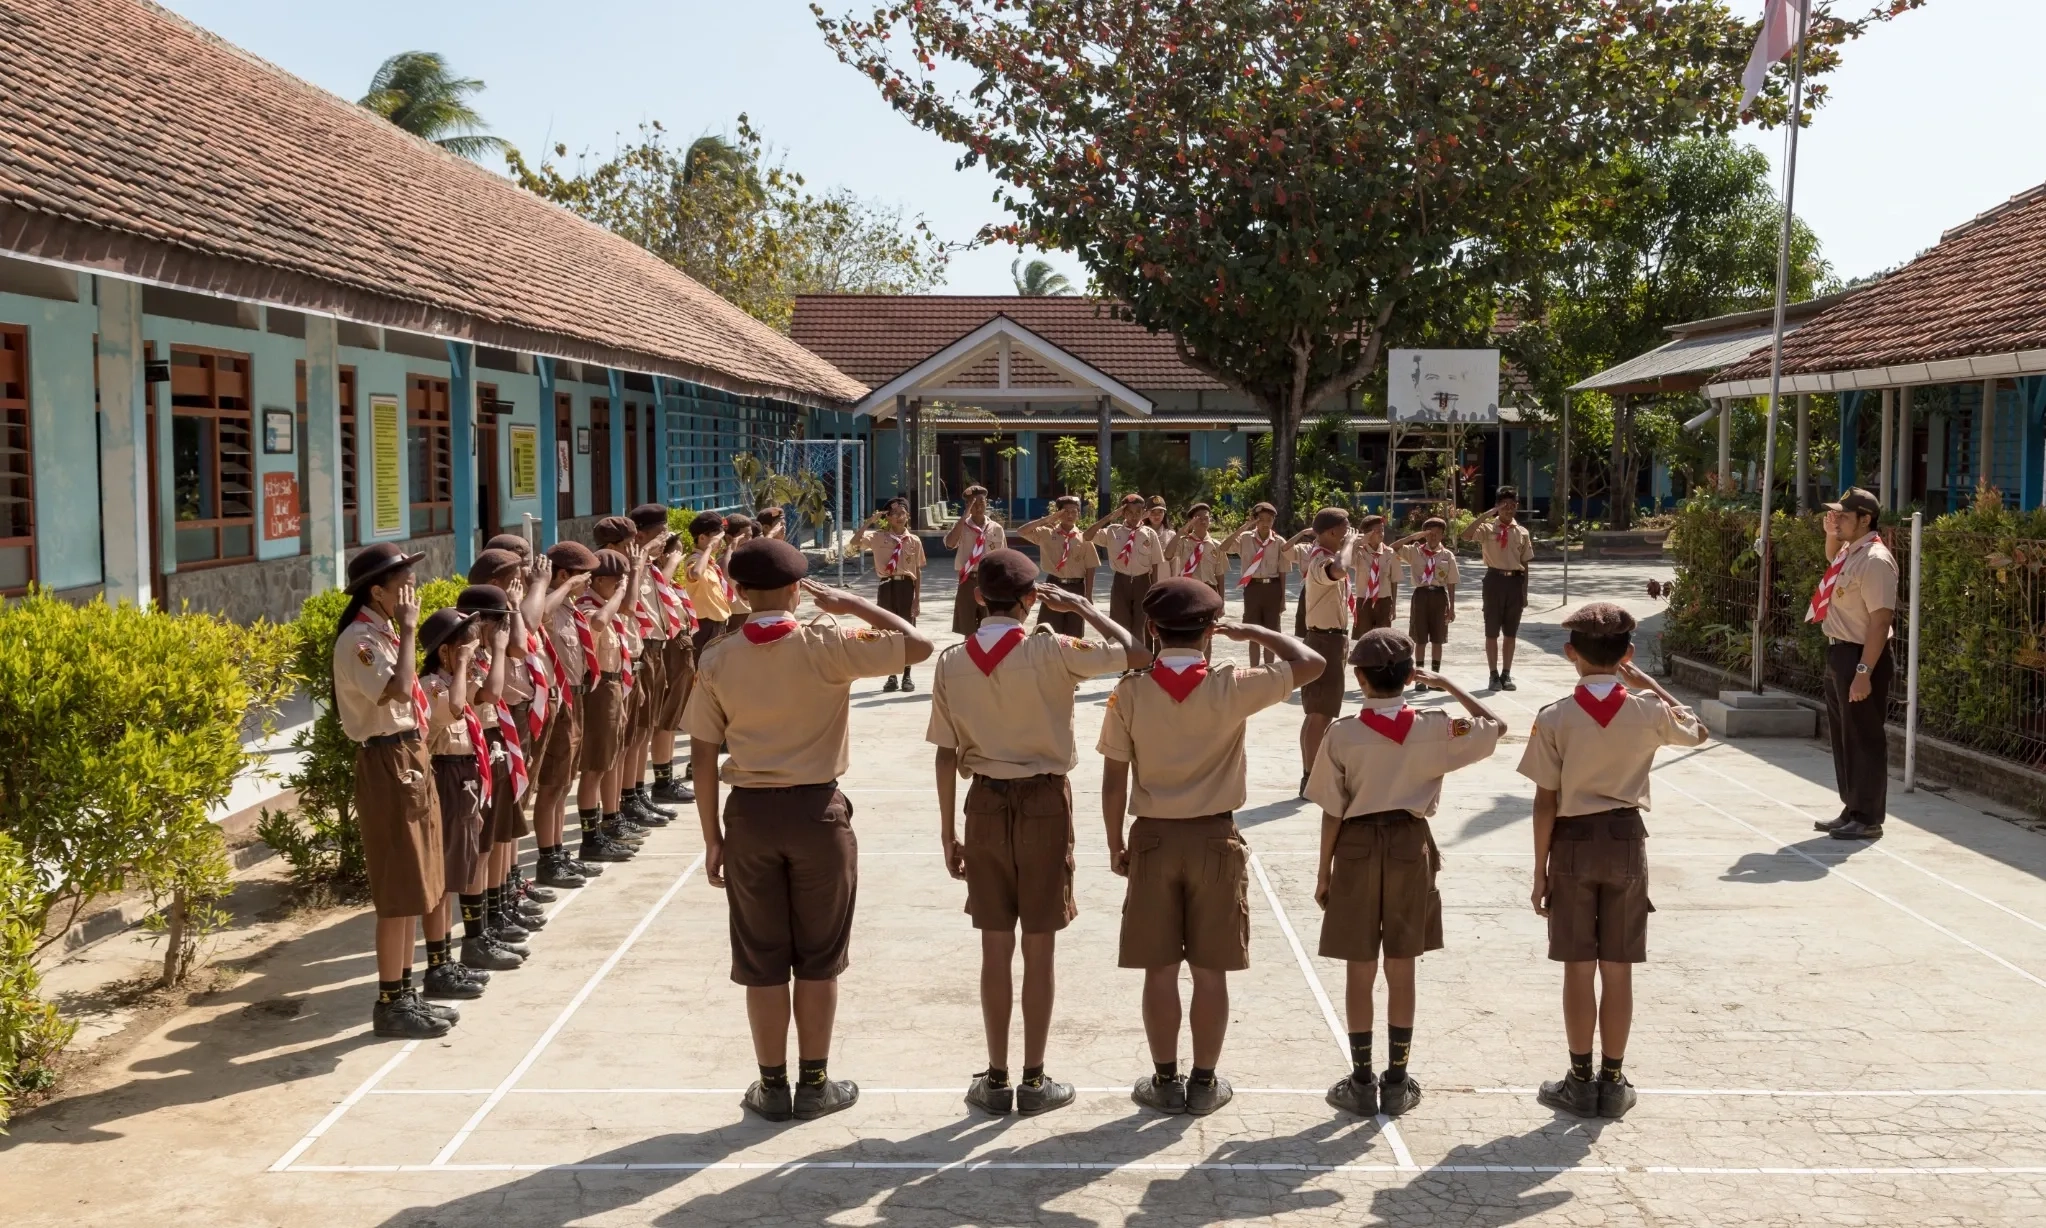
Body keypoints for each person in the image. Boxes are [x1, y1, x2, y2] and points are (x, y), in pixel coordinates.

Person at [684, 538, 935, 1122]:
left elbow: (701, 756)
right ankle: (815, 1084)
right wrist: (855, 604)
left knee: (762, 957)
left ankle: (772, 1087)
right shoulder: (828, 642)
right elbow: (919, 646)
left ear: (738, 592)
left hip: (749, 817)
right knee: (820, 956)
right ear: (798, 590)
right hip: (818, 814)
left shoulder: (718, 658)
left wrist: (712, 838)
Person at [926, 549, 1149, 1116]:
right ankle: (1034, 1076)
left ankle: (996, 1076)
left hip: (984, 804)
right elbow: (1139, 653)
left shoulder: (952, 662)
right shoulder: (1053, 649)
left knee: (994, 946)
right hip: (1045, 801)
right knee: (1040, 946)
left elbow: (945, 754)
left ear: (979, 596)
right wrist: (1082, 607)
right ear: (1032, 599)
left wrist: (948, 832)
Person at [1098, 579, 1324, 1115]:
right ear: (1210, 632)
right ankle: (1203, 1082)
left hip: (1153, 836)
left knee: (1159, 969)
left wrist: (1114, 843)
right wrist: (1255, 631)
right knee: (1209, 969)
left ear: (1151, 629)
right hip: (1215, 837)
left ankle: (1164, 1080)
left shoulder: (1131, 691)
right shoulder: (1231, 685)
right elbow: (1311, 663)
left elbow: (1113, 780)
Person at [1518, 602, 1708, 1120]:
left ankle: (1580, 1083)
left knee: (1578, 968)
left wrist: (1539, 872)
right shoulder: (1648, 711)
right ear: (1628, 654)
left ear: (1570, 653)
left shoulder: (1555, 716)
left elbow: (1544, 801)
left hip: (1572, 842)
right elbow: (1697, 731)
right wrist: (1651, 685)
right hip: (1625, 839)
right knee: (1618, 968)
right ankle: (1614, 1079)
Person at [1308, 630, 1504, 1118]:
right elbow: (1495, 726)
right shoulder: (1436, 727)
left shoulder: (1342, 733)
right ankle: (1396, 1081)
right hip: (1409, 845)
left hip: (1355, 845)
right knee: (1401, 966)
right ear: (1410, 675)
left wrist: (1324, 871)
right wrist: (1448, 685)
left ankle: (1361, 1080)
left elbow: (1332, 810)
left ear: (1359, 677)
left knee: (1359, 967)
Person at [330, 543, 452, 1038]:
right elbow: (400, 689)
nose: (411, 588)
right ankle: (390, 1002)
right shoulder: (360, 640)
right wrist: (409, 630)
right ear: (377, 592)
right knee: (398, 887)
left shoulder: (381, 632)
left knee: (416, 880)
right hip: (387, 759)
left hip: (408, 752)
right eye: (402, 582)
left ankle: (406, 993)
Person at [419, 605, 519, 992]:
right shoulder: (432, 685)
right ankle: (438, 966)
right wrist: (461, 665)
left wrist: (484, 656)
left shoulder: (457, 678)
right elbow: (457, 706)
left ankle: (460, 952)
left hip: (467, 773)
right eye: (466, 646)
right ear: (445, 651)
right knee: (444, 877)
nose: (472, 653)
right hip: (445, 775)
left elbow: (490, 694)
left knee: (464, 864)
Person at [455, 577, 551, 956]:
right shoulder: (466, 658)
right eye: (500, 622)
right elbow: (493, 693)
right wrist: (496, 648)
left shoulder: (484, 654)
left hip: (496, 746)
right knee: (482, 845)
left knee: (498, 837)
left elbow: (520, 648)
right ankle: (477, 933)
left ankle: (497, 913)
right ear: (481, 622)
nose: (504, 630)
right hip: (476, 751)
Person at [1808, 488, 1898, 841]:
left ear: (1865, 519)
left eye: (1844, 516)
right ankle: (1853, 807)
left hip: (1862, 656)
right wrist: (1832, 532)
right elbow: (1832, 557)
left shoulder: (1875, 560)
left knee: (1864, 738)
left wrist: (1864, 672)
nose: (1837, 519)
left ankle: (1868, 817)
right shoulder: (1852, 551)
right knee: (1845, 738)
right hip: (1840, 653)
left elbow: (1881, 621)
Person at [596, 516, 674, 835]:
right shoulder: (610, 576)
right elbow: (629, 608)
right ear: (612, 546)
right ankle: (621, 804)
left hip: (642, 653)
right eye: (630, 543)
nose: (635, 548)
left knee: (643, 730)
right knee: (624, 741)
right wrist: (636, 566)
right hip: (620, 663)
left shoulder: (637, 568)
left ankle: (635, 793)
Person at [574, 544, 648, 864]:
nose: (620, 586)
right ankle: (590, 838)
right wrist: (619, 593)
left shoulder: (608, 604)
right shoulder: (587, 606)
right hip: (599, 689)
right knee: (595, 766)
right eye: (615, 581)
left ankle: (611, 819)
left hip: (616, 685)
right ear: (597, 580)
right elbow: (599, 623)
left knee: (611, 758)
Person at [535, 541, 600, 888]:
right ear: (564, 575)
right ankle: (547, 859)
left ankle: (559, 852)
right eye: (582, 577)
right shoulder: (549, 603)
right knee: (551, 785)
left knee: (564, 784)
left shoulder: (570, 608)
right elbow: (537, 617)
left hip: (575, 699)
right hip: (557, 701)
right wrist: (562, 587)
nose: (587, 582)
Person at [634, 505, 701, 809]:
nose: (665, 546)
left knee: (670, 717)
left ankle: (662, 780)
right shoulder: (643, 571)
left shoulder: (659, 577)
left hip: (673, 648)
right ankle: (658, 782)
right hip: (660, 648)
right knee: (658, 720)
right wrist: (670, 562)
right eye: (660, 539)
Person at [1293, 508, 1354, 796]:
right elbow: (1339, 571)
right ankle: (1311, 778)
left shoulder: (1325, 555)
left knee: (1319, 712)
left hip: (1330, 640)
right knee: (1320, 713)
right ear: (1331, 532)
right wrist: (1350, 544)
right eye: (1345, 528)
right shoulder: (1321, 560)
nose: (1348, 533)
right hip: (1324, 641)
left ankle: (1311, 775)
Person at [850, 497, 926, 692]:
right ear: (888, 518)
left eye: (903, 513)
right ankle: (892, 676)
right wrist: (869, 522)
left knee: (908, 631)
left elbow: (917, 571)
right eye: (894, 514)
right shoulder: (878, 537)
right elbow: (854, 542)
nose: (899, 517)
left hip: (906, 587)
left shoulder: (914, 541)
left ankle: (907, 675)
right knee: (887, 632)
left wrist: (917, 599)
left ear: (908, 516)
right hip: (886, 586)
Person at [1463, 487, 1535, 690]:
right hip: (1494, 580)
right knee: (1492, 631)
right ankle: (1493, 674)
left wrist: (1524, 592)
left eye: (1512, 505)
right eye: (1504, 505)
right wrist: (1486, 515)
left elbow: (1525, 563)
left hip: (1515, 582)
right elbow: (1466, 535)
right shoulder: (1487, 528)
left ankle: (1506, 674)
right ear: (1497, 506)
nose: (1509, 509)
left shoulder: (1522, 532)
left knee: (1511, 632)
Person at [1013, 496, 1098, 638]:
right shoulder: (1047, 533)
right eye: (1065, 511)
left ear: (1078, 514)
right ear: (1058, 513)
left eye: (1074, 511)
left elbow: (1090, 567)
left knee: (1074, 631)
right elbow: (1021, 531)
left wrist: (1088, 594)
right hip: (1053, 584)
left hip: (1076, 587)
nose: (1070, 515)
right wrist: (1047, 520)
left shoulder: (1084, 538)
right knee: (1048, 629)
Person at [1394, 518, 1459, 690]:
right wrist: (1413, 537)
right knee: (1420, 638)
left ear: (1443, 535)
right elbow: (1393, 548)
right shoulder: (1415, 552)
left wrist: (1452, 607)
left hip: (1439, 596)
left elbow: (1451, 582)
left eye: (1437, 533)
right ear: (1424, 535)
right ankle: (1420, 677)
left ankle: (1435, 678)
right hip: (1421, 595)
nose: (1433, 537)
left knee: (1438, 638)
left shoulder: (1447, 555)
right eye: (1430, 533)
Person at [1089, 493, 1162, 638]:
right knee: (1119, 625)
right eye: (1129, 512)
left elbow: (1155, 565)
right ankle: (1120, 652)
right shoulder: (1112, 531)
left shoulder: (1150, 534)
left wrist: (1154, 591)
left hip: (1143, 582)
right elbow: (1087, 535)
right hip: (1121, 582)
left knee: (1140, 626)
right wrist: (1109, 518)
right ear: (1123, 513)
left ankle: (1139, 653)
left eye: (1138, 512)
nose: (1134, 516)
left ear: (1143, 512)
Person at [1225, 502, 1288, 666]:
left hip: (1272, 588)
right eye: (1261, 519)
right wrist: (1243, 527)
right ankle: (1254, 669)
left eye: (1269, 519)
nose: (1265, 523)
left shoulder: (1279, 542)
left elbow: (1283, 572)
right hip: (1252, 588)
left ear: (1274, 520)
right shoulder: (1245, 538)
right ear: (1254, 520)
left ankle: (1268, 670)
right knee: (1253, 633)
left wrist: (1282, 598)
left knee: (1271, 635)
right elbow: (1224, 547)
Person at [945, 484, 1006, 637]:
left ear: (987, 503)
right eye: (973, 503)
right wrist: (964, 516)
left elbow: (1003, 557)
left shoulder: (996, 528)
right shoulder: (961, 526)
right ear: (967, 505)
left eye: (981, 502)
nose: (978, 507)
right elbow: (950, 543)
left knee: (990, 626)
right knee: (968, 627)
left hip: (989, 580)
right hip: (968, 580)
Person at [685, 512, 734, 653]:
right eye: (717, 538)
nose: (720, 542)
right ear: (702, 538)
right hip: (705, 627)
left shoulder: (710, 563)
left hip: (718, 625)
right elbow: (696, 573)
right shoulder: (694, 560)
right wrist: (709, 548)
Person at [1347, 514, 1399, 635]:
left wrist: (1393, 606)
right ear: (1368, 534)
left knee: (1382, 638)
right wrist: (1359, 541)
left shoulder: (1390, 553)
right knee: (1363, 637)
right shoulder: (1359, 552)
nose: (1381, 534)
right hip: (1364, 602)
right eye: (1377, 531)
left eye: (1382, 530)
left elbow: (1394, 580)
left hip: (1384, 602)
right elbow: (1347, 562)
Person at [1170, 504, 1228, 598]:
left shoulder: (1216, 545)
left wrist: (1221, 599)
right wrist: (1180, 532)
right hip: (1187, 589)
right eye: (1199, 518)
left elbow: (1220, 575)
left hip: (1209, 590)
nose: (1203, 521)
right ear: (1191, 521)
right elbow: (1167, 555)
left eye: (1206, 518)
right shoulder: (1183, 542)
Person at [1146, 497, 1176, 585]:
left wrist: (1174, 583)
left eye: (1160, 512)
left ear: (1164, 513)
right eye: (1153, 512)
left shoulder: (1171, 535)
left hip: (1164, 581)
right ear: (1147, 513)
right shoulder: (1140, 533)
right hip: (1144, 581)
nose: (1156, 516)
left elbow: (1174, 563)